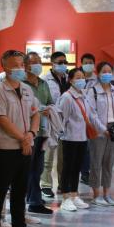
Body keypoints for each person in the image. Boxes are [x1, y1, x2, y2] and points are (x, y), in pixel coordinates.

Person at [0, 50, 40, 227]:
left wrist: (31, 134)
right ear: (5, 67)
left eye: (21, 64)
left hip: (25, 147)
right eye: (15, 64)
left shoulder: (26, 89)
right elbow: (1, 119)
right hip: (6, 148)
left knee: (20, 190)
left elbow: (36, 113)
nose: (20, 68)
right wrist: (22, 138)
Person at [87, 61, 114, 207]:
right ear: (98, 73)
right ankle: (96, 195)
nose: (107, 74)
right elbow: (92, 114)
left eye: (109, 71)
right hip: (99, 131)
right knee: (96, 162)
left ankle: (107, 193)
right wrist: (103, 129)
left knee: (109, 163)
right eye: (104, 71)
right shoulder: (93, 91)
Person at [55, 67, 91, 212]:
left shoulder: (83, 95)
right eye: (77, 77)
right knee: (67, 168)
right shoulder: (67, 97)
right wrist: (61, 135)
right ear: (70, 80)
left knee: (77, 167)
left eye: (83, 77)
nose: (81, 80)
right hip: (69, 137)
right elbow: (61, 118)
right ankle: (65, 197)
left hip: (82, 137)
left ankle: (74, 195)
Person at [23, 52, 54, 217]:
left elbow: (50, 102)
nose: (37, 65)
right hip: (28, 132)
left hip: (43, 131)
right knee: (28, 168)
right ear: (26, 65)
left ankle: (34, 198)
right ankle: (33, 201)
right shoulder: (21, 84)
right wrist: (38, 110)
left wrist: (48, 109)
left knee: (38, 167)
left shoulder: (43, 84)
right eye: (33, 62)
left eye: (39, 62)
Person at [40, 52, 70, 199]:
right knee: (48, 157)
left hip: (66, 123)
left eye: (65, 62)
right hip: (50, 122)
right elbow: (43, 101)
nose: (63, 64)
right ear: (52, 63)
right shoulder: (45, 80)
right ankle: (46, 185)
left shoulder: (69, 79)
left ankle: (62, 184)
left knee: (64, 158)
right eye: (59, 62)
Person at [77, 53, 98, 185]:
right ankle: (82, 172)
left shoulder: (98, 80)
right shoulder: (77, 78)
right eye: (86, 63)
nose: (88, 65)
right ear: (81, 64)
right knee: (81, 147)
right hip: (78, 117)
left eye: (90, 63)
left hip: (92, 117)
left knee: (90, 147)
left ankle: (86, 173)